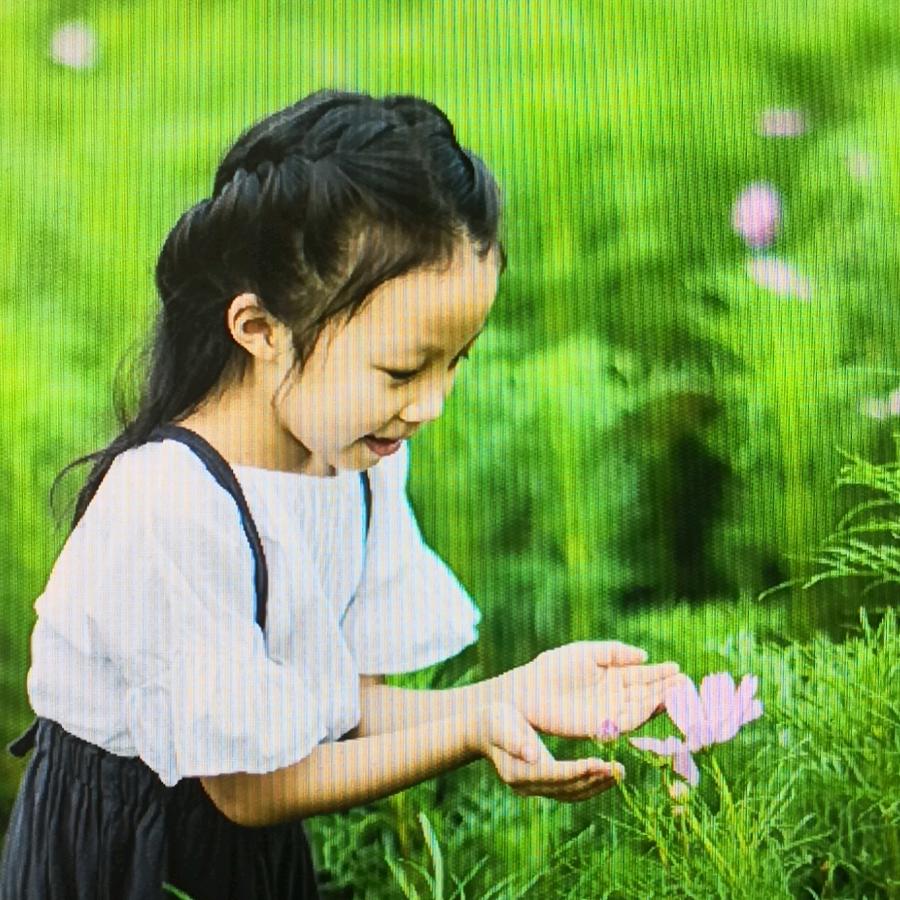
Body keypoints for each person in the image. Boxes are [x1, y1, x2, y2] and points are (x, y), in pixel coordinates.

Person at [0, 88, 680, 899]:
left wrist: (515, 696)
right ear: (260, 330)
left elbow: (343, 710)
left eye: (455, 362)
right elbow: (249, 787)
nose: (431, 404)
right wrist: (469, 730)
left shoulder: (358, 463)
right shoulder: (169, 500)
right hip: (127, 857)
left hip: (249, 857)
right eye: (402, 370)